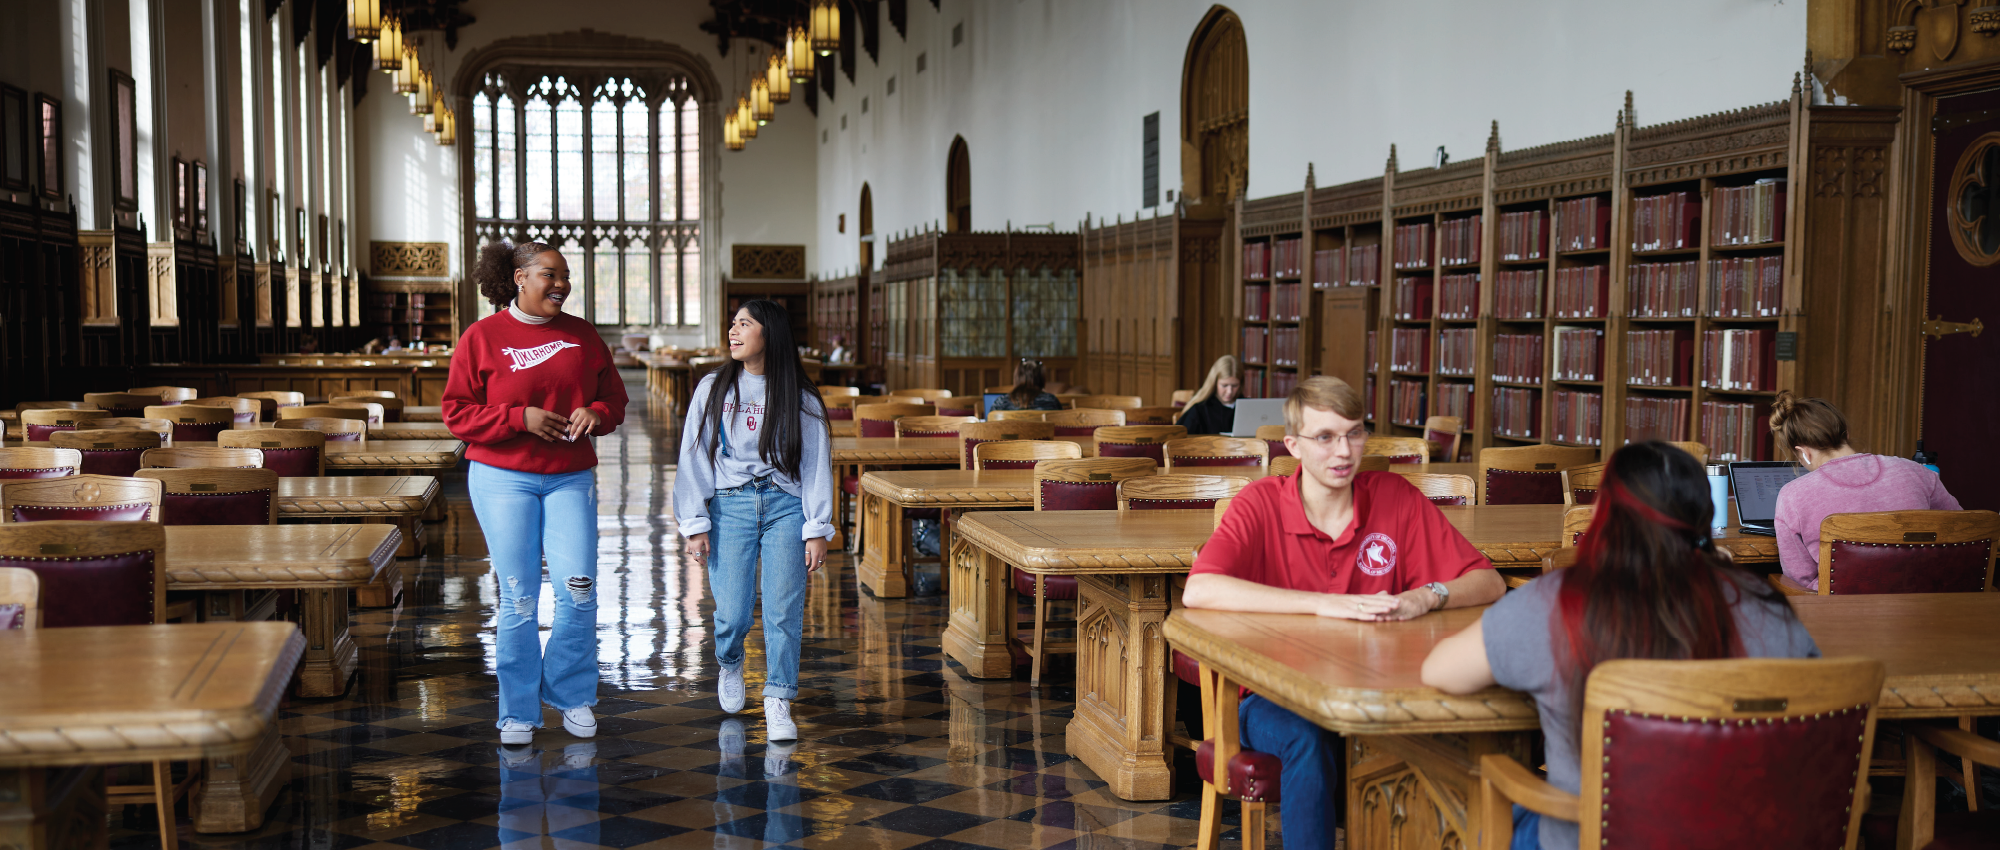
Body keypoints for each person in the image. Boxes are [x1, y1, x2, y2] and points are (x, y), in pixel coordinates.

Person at [1422, 441, 1818, 849]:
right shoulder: (1766, 606)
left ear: (1604, 513)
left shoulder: (1557, 601)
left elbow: (1439, 671)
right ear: (1706, 512)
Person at [1182, 376, 1504, 850]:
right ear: (1293, 444)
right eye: (1325, 437)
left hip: (1379, 689)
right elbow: (1200, 589)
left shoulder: (1394, 496)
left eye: (1354, 433)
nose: (1344, 451)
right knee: (1308, 739)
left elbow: (1488, 581)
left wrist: (1426, 595)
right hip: (1271, 696)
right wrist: (1324, 604)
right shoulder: (1260, 504)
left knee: (1456, 730)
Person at [443, 240, 629, 747]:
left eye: (566, 275)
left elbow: (614, 398)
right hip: (503, 477)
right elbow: (456, 412)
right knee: (519, 595)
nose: (562, 284)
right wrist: (516, 417)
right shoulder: (481, 337)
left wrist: (597, 412)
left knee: (579, 588)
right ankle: (518, 709)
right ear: (520, 277)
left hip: (570, 475)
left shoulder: (582, 334)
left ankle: (572, 695)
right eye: (550, 274)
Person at [673, 299, 833, 742]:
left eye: (745, 323)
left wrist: (817, 528)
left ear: (770, 333)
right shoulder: (713, 387)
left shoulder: (800, 397)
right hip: (730, 506)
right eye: (732, 323)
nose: (734, 330)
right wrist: (695, 520)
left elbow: (818, 464)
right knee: (733, 614)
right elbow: (693, 453)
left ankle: (778, 698)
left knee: (784, 611)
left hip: (785, 505)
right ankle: (730, 662)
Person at [1767, 391, 1959, 590]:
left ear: (1803, 452)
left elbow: (1801, 581)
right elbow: (1964, 531)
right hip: (1926, 605)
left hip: (1840, 615)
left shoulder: (1792, 495)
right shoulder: (1917, 472)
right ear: (1846, 434)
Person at [1177, 355, 1243, 435]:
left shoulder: (1248, 407)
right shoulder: (1200, 409)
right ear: (1214, 383)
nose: (1229, 391)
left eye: (1235, 385)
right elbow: (1178, 439)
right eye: (1224, 385)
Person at [987, 358, 1063, 411]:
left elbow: (989, 428)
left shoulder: (1001, 403)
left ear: (1016, 377)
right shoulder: (1051, 401)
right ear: (1042, 378)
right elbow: (1060, 427)